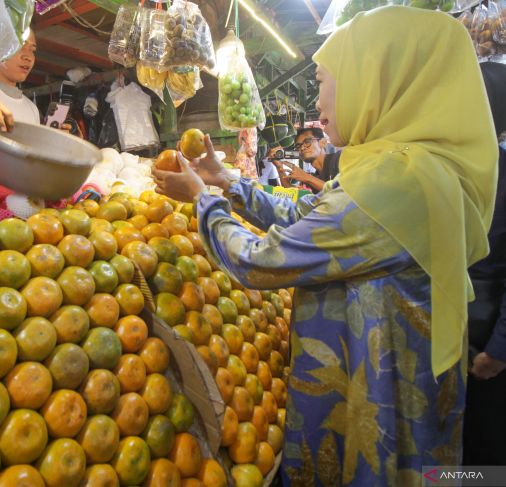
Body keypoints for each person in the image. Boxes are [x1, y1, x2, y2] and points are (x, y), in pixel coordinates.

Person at [152, 6, 497, 484]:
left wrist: (203, 199)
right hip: (395, 367)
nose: (317, 103)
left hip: (378, 384)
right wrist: (228, 181)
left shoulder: (394, 184)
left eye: (323, 80)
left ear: (373, 78)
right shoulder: (403, 166)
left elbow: (259, 262)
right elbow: (308, 218)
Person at [463, 61, 506, 466]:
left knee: (485, 457)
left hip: (486, 345)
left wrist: (498, 350)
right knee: (448, 460)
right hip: (450, 342)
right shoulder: (448, 169)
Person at [275, 127, 340, 192]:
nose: (302, 148)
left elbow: (342, 191)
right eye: (298, 146)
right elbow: (291, 192)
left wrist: (306, 177)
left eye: (307, 142)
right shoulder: (315, 177)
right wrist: (279, 167)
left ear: (323, 142)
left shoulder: (339, 159)